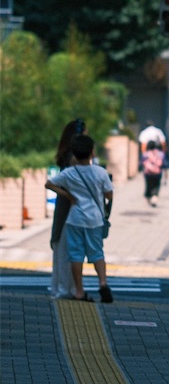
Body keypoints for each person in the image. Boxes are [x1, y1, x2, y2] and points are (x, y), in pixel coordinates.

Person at [45, 134, 114, 303]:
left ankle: (79, 291)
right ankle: (103, 283)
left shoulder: (69, 173)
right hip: (95, 220)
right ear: (92, 152)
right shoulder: (100, 172)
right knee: (97, 253)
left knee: (76, 255)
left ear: (74, 154)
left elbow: (49, 184)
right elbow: (109, 194)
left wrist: (68, 196)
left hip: (74, 219)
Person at [49, 118, 86, 299]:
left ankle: (61, 287)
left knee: (62, 248)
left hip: (64, 206)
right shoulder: (74, 158)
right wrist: (71, 196)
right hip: (71, 207)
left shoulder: (66, 155)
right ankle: (66, 289)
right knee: (68, 249)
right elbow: (53, 184)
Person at [141, 140, 165, 206]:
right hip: (157, 173)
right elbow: (163, 164)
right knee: (156, 185)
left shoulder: (145, 154)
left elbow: (142, 163)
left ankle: (148, 197)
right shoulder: (160, 154)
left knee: (148, 185)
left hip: (148, 173)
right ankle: (154, 196)